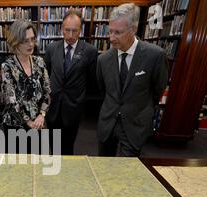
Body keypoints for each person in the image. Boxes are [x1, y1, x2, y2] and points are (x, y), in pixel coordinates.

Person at [97, 3, 168, 157]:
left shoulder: (155, 56)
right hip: (108, 122)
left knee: (127, 173)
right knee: (103, 167)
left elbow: (157, 90)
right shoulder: (103, 59)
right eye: (110, 31)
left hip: (135, 125)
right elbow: (103, 90)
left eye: (118, 32)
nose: (111, 38)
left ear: (133, 29)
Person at [45, 10, 98, 155]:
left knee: (68, 148)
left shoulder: (90, 51)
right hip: (53, 107)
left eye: (74, 31)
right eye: (67, 30)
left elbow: (92, 82)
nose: (70, 35)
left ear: (80, 30)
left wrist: (81, 100)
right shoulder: (51, 49)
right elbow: (47, 75)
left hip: (74, 108)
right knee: (53, 147)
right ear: (61, 29)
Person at [2, 19, 51, 154]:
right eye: (25, 41)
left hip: (38, 124)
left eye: (33, 39)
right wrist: (29, 122)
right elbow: (12, 101)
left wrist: (42, 115)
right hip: (16, 126)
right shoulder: (7, 66)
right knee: (19, 168)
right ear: (16, 42)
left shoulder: (39, 62)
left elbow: (47, 92)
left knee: (38, 164)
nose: (31, 44)